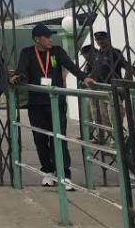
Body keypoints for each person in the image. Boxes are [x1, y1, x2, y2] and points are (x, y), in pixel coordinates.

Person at [10, 24, 93, 189]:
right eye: (47, 37)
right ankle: (47, 171)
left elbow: (71, 66)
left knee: (59, 138)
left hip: (56, 103)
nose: (50, 39)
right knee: (40, 139)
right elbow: (22, 70)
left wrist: (84, 78)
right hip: (37, 104)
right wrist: (17, 77)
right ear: (37, 39)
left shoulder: (57, 52)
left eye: (50, 36)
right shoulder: (27, 52)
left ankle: (64, 174)